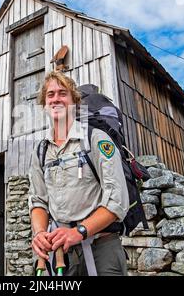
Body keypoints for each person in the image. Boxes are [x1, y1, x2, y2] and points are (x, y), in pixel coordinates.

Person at [28, 70, 129, 276]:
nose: (56, 98)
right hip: (61, 253)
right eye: (50, 94)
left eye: (62, 93)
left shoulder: (95, 139)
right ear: (44, 105)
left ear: (74, 101)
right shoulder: (41, 151)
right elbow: (38, 201)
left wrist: (78, 232)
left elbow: (117, 200)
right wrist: (39, 233)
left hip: (102, 248)